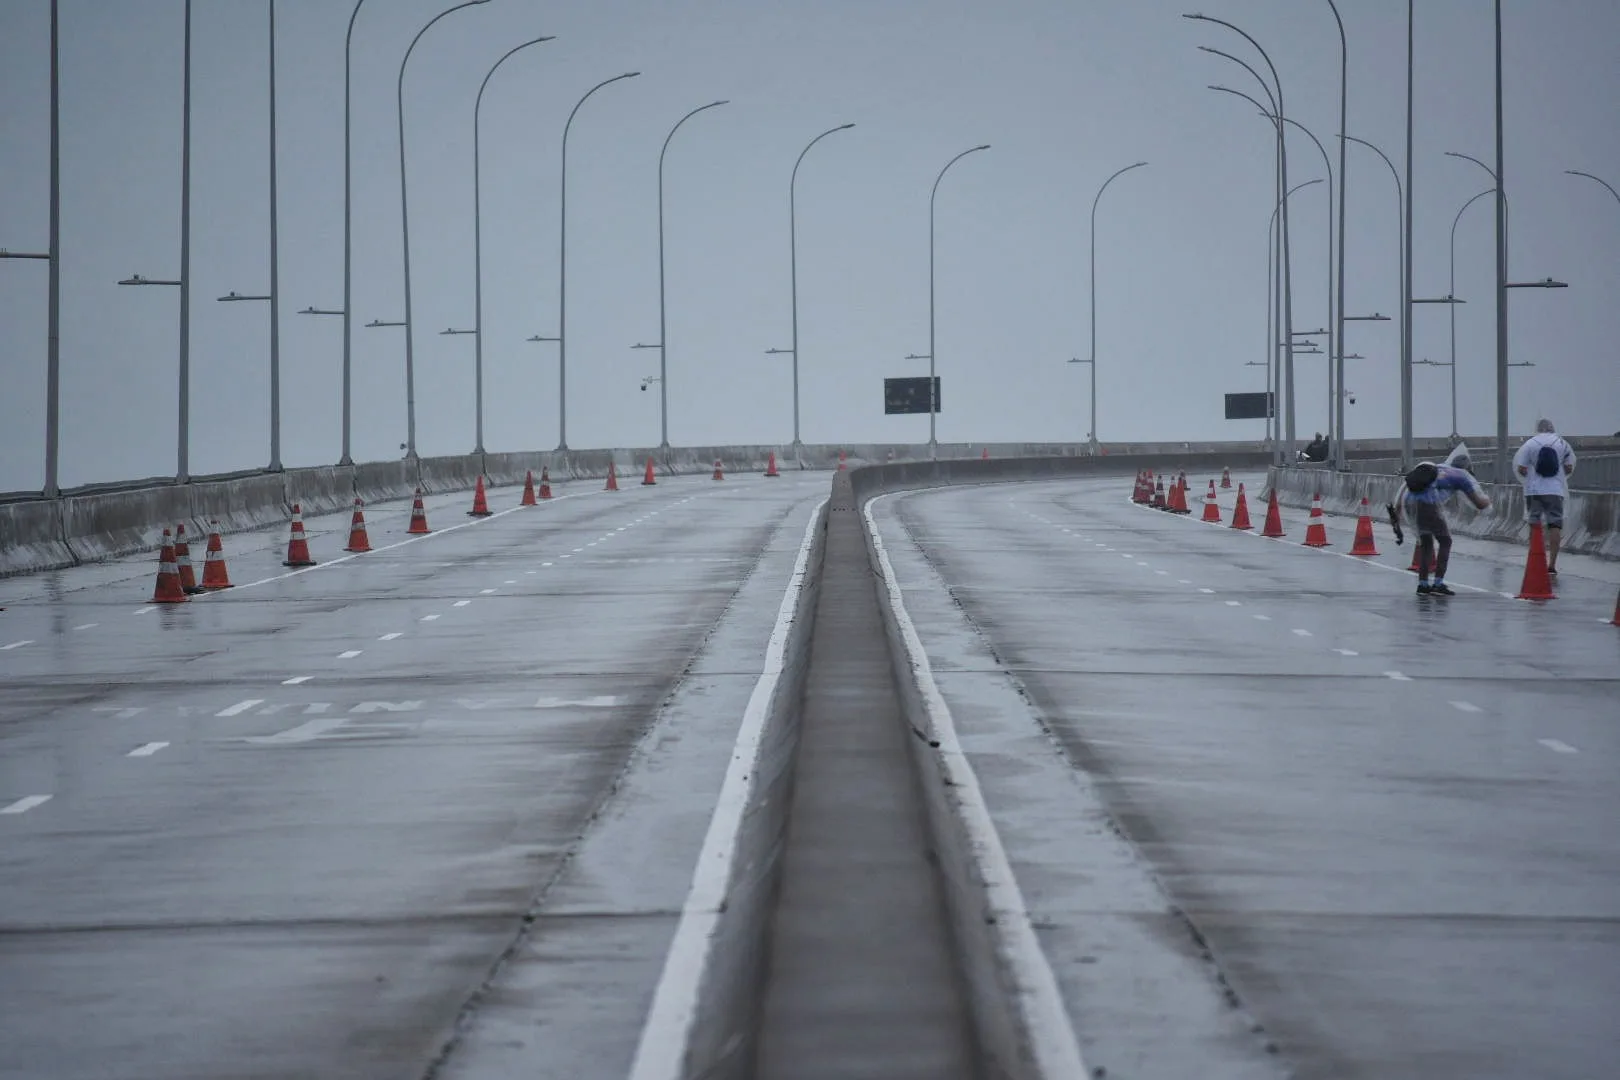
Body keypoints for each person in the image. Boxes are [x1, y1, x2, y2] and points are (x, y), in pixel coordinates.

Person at [1394, 458, 1491, 596]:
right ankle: (1438, 584)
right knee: (1445, 541)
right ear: (1467, 469)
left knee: (1426, 543)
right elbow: (1480, 504)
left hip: (1409, 503)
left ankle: (1423, 584)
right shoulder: (1461, 476)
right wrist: (1488, 501)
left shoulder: (1438, 468)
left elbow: (1404, 487)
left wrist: (1397, 513)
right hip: (1428, 505)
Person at [1513, 418, 1576, 576]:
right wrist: (1558, 475)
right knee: (1555, 524)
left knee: (1534, 523)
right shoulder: (1562, 443)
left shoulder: (1530, 443)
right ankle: (1552, 564)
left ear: (1538, 429)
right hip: (1555, 490)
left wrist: (1532, 475)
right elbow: (1569, 467)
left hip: (1533, 490)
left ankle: (1534, 560)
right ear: (1552, 428)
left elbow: (1521, 469)